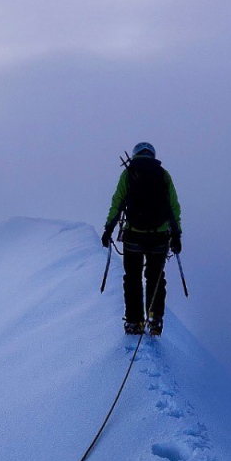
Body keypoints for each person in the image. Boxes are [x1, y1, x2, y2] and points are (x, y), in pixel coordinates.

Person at [102, 142, 182, 335]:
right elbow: (173, 207)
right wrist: (176, 234)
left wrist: (109, 229)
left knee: (132, 279)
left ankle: (134, 322)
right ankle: (154, 318)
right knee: (155, 278)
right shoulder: (163, 174)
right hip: (159, 237)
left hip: (133, 236)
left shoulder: (129, 173)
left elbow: (117, 202)